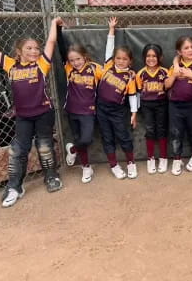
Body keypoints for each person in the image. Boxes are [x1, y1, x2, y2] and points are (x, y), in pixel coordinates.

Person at [0, 14, 63, 207]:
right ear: (19, 51)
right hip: (23, 117)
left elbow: (51, 41)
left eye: (36, 48)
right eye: (29, 48)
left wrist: (53, 23)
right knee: (18, 150)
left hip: (43, 113)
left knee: (44, 146)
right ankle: (14, 186)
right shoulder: (11, 65)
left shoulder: (41, 64)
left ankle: (51, 177)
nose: (34, 51)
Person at [58, 19, 117, 183]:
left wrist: (111, 31)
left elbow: (109, 58)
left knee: (86, 139)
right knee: (78, 136)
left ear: (84, 57)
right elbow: (61, 49)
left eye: (78, 59)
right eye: (72, 60)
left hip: (88, 112)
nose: (75, 63)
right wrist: (57, 28)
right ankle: (86, 167)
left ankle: (73, 149)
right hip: (72, 110)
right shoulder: (69, 69)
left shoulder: (94, 69)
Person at [96, 18, 138, 179]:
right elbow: (109, 48)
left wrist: (134, 113)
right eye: (118, 58)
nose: (121, 61)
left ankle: (131, 162)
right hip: (101, 109)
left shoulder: (129, 76)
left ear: (130, 61)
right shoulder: (108, 66)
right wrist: (111, 30)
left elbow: (133, 96)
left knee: (123, 136)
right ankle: (114, 165)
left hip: (118, 111)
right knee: (107, 137)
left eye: (124, 59)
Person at [165, 36, 192, 176]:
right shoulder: (174, 67)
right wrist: (174, 75)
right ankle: (177, 159)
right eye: (186, 48)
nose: (190, 50)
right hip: (175, 106)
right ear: (179, 52)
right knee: (176, 133)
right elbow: (166, 85)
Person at [136, 44, 169, 174]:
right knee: (150, 130)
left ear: (159, 57)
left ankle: (163, 158)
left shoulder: (165, 72)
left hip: (162, 104)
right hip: (146, 105)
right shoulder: (140, 74)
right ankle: (150, 158)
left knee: (161, 129)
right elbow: (138, 92)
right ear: (144, 57)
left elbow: (169, 88)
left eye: (154, 56)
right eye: (148, 56)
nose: (151, 58)